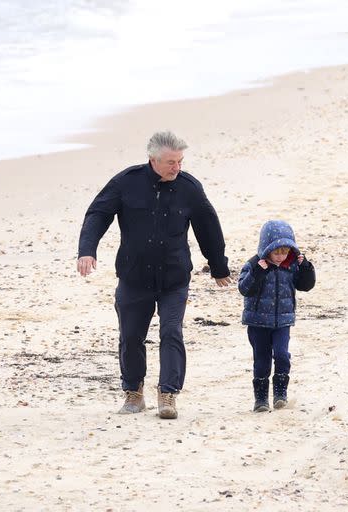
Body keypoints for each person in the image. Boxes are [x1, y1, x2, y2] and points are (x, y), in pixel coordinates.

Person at [77, 131, 231, 419]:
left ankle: (168, 394)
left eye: (180, 161)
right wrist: (87, 250)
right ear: (153, 160)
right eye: (171, 162)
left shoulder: (189, 188)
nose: (177, 168)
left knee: (171, 332)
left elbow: (209, 226)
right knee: (130, 336)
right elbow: (98, 213)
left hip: (174, 279)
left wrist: (218, 266)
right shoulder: (126, 182)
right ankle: (133, 393)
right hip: (134, 277)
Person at [237, 220, 316, 412]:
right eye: (277, 252)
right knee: (262, 360)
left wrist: (305, 266)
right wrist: (258, 271)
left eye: (285, 251)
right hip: (257, 323)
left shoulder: (292, 266)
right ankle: (261, 399)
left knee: (282, 355)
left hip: (283, 321)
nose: (281, 256)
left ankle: (280, 393)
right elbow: (244, 289)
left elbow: (306, 285)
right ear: (267, 248)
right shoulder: (254, 264)